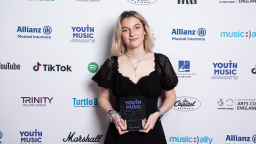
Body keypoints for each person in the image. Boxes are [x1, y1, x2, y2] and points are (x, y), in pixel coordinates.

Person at [91, 11, 178, 144]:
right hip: (119, 133)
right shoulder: (111, 63)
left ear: (145, 31)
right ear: (120, 35)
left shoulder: (161, 61)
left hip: (152, 132)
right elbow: (103, 98)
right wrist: (112, 114)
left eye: (136, 27)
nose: (132, 33)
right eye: (126, 30)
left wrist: (157, 114)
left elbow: (171, 96)